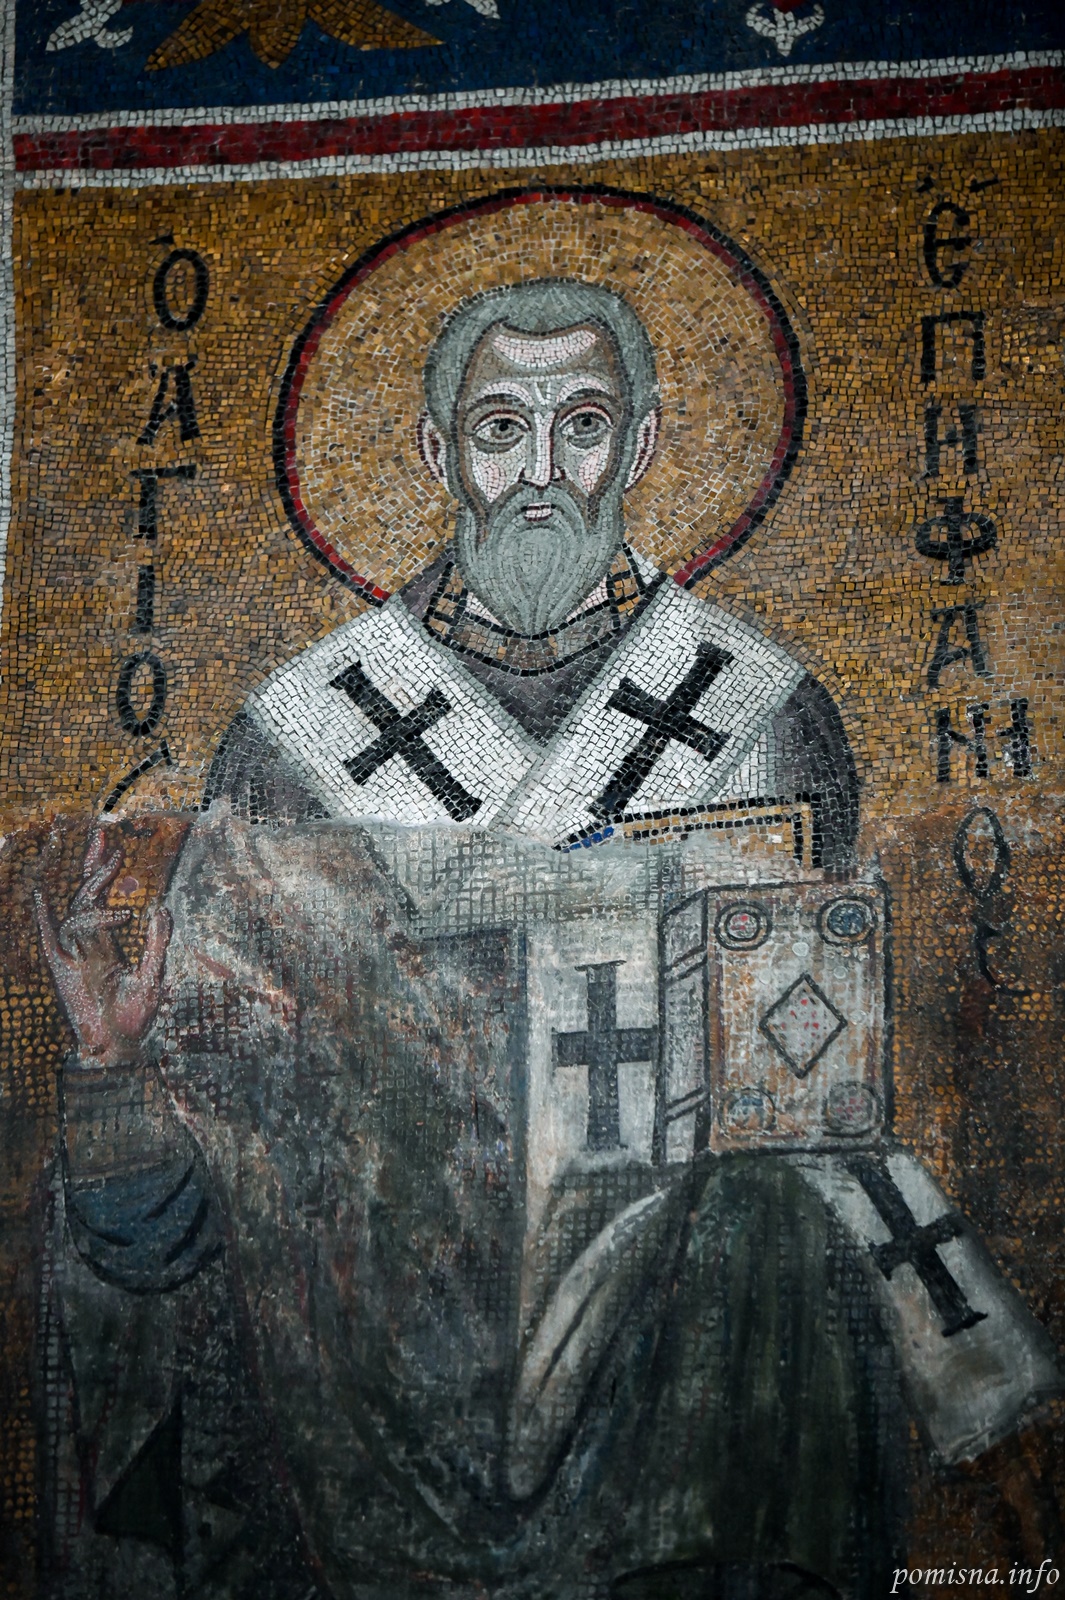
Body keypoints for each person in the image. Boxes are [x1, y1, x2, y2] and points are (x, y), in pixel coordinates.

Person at [36, 281, 1059, 1600]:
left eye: (580, 425)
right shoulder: (296, 747)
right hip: (372, 1355)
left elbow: (803, 1095)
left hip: (672, 1322)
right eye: (498, 429)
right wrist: (112, 1070)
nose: (538, 472)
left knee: (768, 1226)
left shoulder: (760, 719)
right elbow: (203, 1181)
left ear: (639, 445)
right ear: (435, 452)